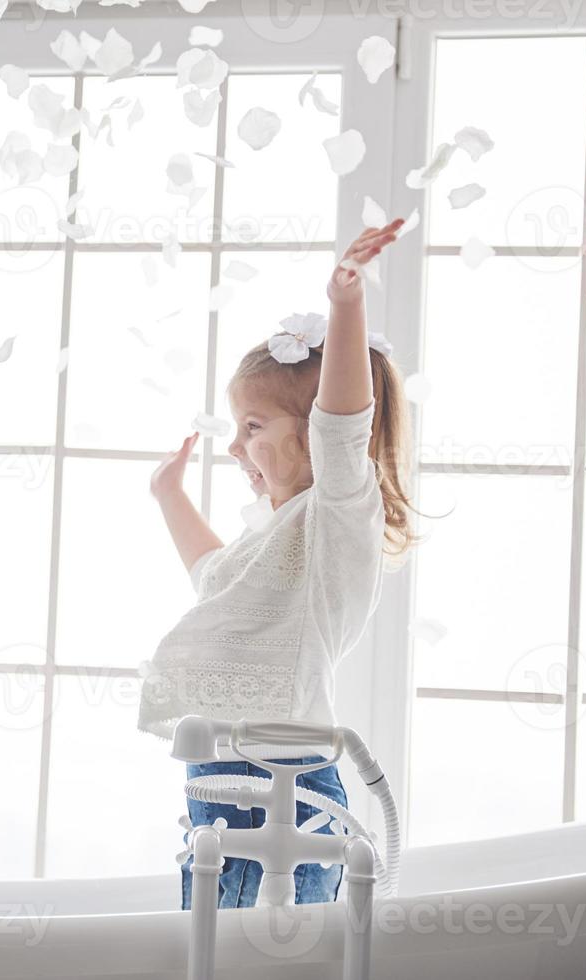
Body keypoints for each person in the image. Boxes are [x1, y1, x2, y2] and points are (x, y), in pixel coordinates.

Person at [138, 220, 423, 909]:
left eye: (254, 428)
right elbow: (213, 577)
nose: (235, 447)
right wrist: (167, 494)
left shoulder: (336, 516)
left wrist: (345, 307)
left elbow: (341, 423)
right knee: (216, 947)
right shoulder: (274, 537)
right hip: (225, 774)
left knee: (254, 956)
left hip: (279, 782)